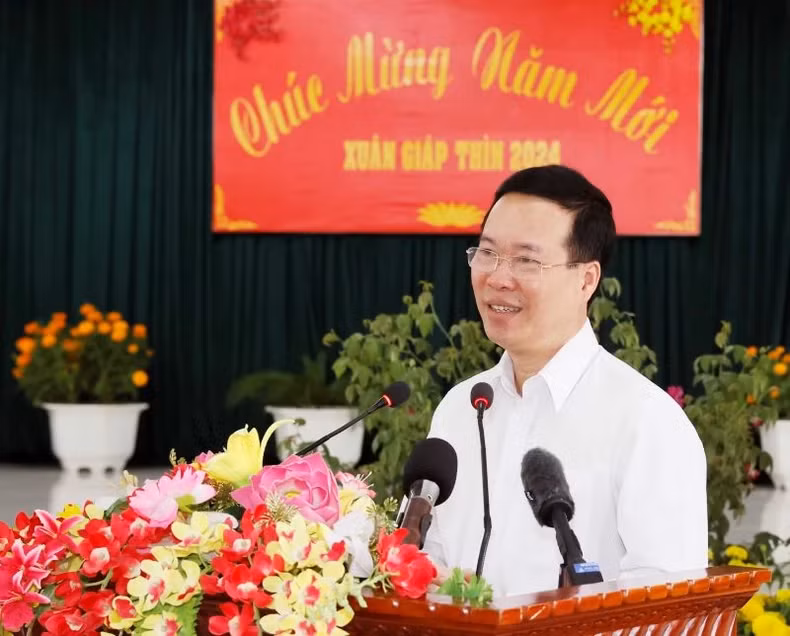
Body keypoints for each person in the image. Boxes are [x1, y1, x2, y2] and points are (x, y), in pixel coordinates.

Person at [422, 165, 708, 598]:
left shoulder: (645, 422)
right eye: (487, 252)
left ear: (586, 279)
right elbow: (435, 562)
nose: (498, 277)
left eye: (527, 260)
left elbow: (664, 607)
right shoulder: (461, 409)